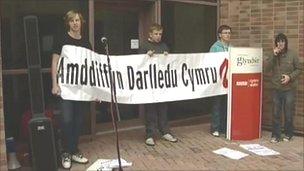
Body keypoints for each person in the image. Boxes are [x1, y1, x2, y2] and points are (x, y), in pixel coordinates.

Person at [51, 10, 91, 169]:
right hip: (66, 88)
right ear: (68, 23)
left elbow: (91, 68)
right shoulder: (61, 40)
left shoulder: (86, 43)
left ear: (81, 23)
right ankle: (65, 152)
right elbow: (55, 62)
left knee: (78, 121)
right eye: (72, 20)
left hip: (81, 89)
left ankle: (74, 150)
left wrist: (95, 90)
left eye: (77, 20)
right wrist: (55, 83)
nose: (75, 23)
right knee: (67, 120)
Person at [138, 23, 177, 146]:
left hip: (162, 83)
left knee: (163, 108)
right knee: (150, 110)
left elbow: (170, 63)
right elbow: (137, 63)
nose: (158, 36)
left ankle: (165, 131)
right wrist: (145, 57)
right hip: (149, 83)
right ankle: (150, 134)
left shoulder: (164, 46)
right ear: (150, 34)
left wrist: (167, 57)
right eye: (156, 34)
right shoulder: (144, 46)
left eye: (160, 34)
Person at [265, 33, 302, 143]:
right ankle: (276, 135)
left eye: (283, 41)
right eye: (278, 41)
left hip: (289, 89)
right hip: (276, 88)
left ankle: (288, 133)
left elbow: (299, 69)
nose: (280, 44)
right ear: (276, 43)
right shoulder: (273, 54)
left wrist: (289, 77)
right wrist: (273, 55)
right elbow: (267, 69)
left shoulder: (292, 54)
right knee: (276, 113)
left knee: (288, 112)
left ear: (286, 43)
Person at [209, 25, 232, 137]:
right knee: (217, 105)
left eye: (229, 33)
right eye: (225, 33)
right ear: (220, 35)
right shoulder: (215, 47)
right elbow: (210, 62)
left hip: (228, 81)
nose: (228, 35)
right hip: (218, 81)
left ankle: (223, 126)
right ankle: (215, 127)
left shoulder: (231, 48)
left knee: (226, 105)